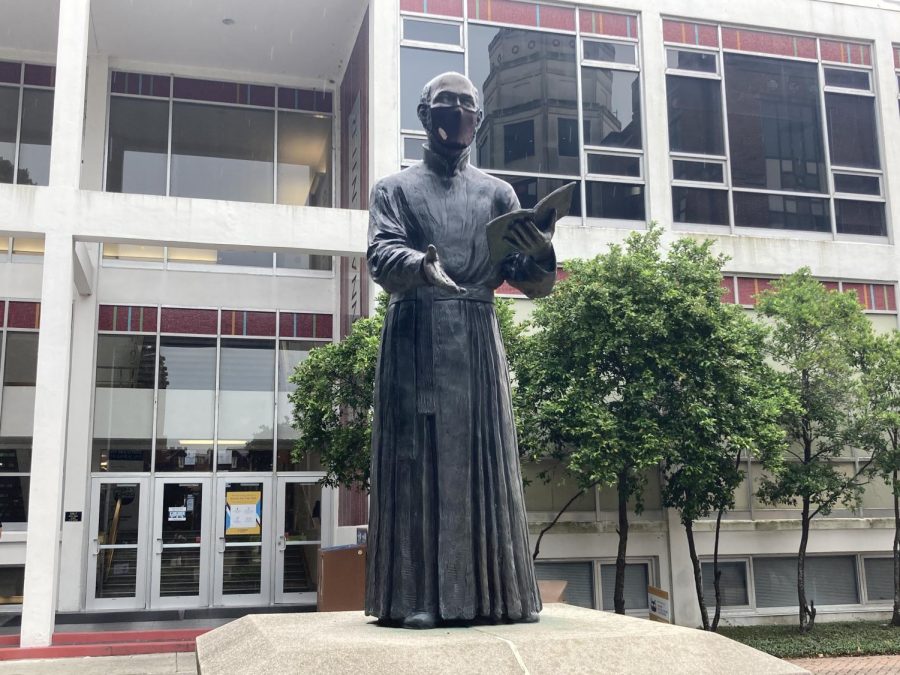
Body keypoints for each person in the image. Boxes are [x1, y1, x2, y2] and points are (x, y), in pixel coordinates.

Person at [365, 72, 559, 629]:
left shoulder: (498, 193)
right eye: (447, 106)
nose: (459, 116)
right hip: (417, 332)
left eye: (468, 108)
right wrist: (421, 267)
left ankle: (498, 596)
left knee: (485, 460)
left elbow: (529, 281)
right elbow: (380, 255)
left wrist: (541, 254)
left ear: (480, 119)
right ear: (425, 115)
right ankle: (418, 596)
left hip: (475, 333)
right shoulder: (394, 189)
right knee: (418, 464)